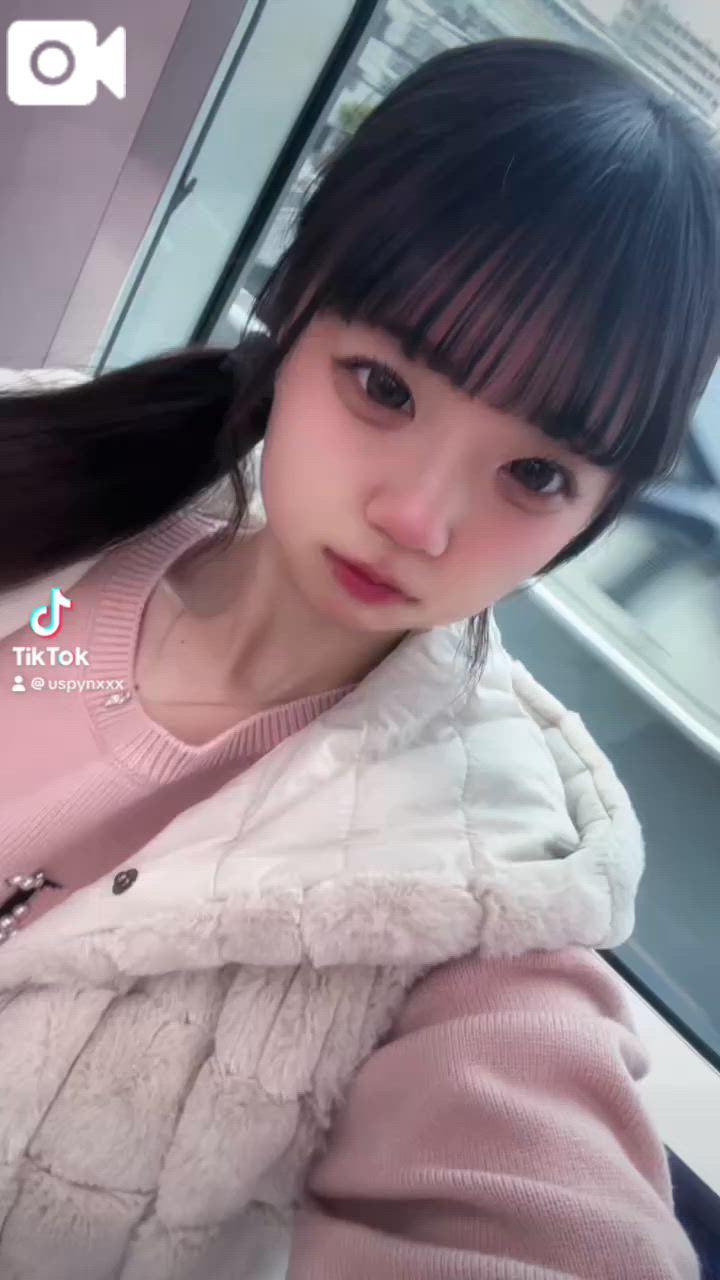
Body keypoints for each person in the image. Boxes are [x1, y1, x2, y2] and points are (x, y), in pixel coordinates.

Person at [0, 36, 715, 1280]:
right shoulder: (54, 486)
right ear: (294, 312)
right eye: (384, 386)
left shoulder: (474, 908)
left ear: (593, 516)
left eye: (534, 472)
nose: (419, 518)